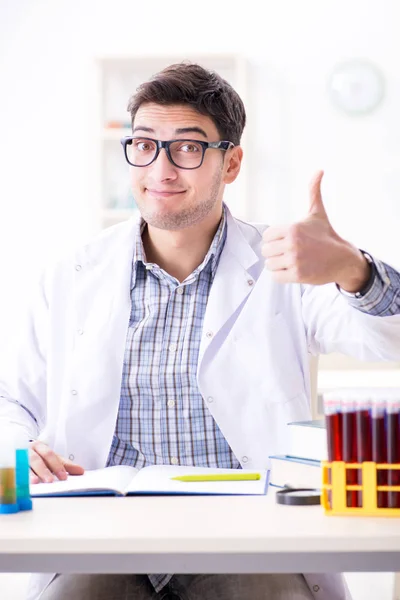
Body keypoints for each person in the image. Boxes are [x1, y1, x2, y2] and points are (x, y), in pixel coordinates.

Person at [1, 62, 400, 600]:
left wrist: (354, 268)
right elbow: (12, 400)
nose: (161, 169)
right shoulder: (71, 274)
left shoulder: (284, 264)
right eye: (144, 145)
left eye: (187, 148)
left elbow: (383, 339)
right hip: (100, 533)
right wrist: (20, 447)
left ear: (231, 162)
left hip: (250, 535)